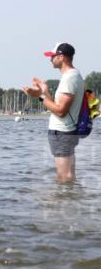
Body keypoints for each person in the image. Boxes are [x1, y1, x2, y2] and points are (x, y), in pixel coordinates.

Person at [21, 43, 85, 183]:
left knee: (65, 176)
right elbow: (56, 106)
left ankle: (67, 203)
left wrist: (40, 97)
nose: (50, 60)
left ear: (61, 57)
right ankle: (66, 202)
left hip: (62, 133)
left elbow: (61, 111)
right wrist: (44, 91)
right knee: (64, 175)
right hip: (64, 132)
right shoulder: (72, 76)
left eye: (53, 57)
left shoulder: (69, 78)